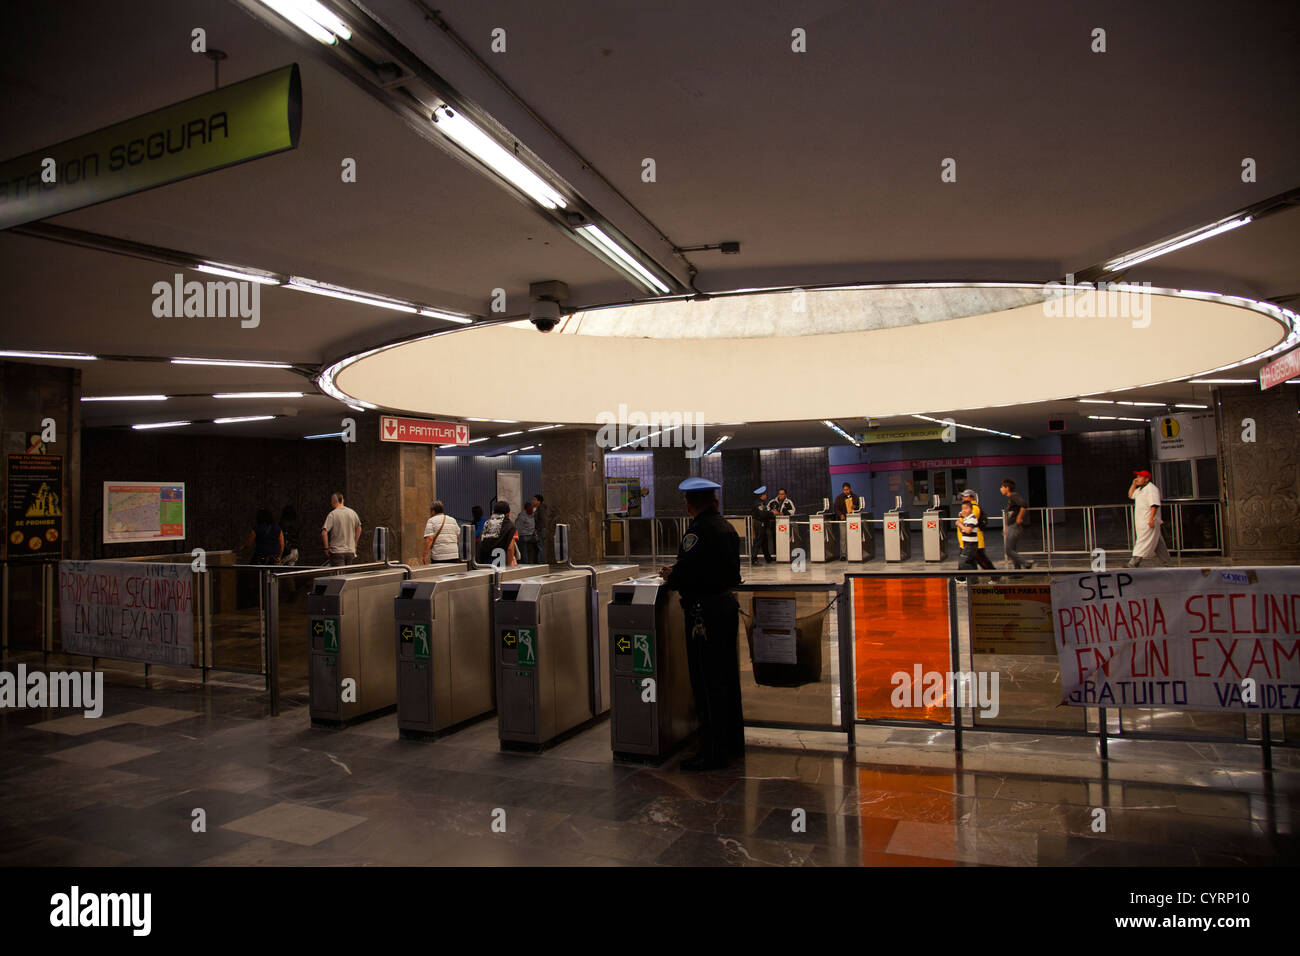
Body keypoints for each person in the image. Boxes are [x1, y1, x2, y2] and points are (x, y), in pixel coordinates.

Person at [660, 477, 743, 771]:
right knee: (726, 677)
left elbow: (687, 574)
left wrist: (672, 575)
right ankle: (732, 743)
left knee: (707, 682)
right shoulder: (728, 528)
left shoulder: (696, 533)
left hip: (702, 613)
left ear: (689, 505)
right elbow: (731, 572)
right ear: (715, 502)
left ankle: (712, 753)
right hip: (725, 607)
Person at [1128, 470, 1172, 567]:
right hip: (1142, 520)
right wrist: (1133, 485)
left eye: (1140, 477)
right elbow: (1131, 495)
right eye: (1137, 476)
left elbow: (1154, 505)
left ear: (1146, 479)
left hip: (1148, 520)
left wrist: (1151, 519)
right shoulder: (1140, 489)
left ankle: (1134, 562)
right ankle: (1167, 563)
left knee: (1142, 541)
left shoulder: (1151, 489)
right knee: (1158, 543)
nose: (1137, 479)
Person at [999, 479, 1034, 570]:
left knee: (1009, 550)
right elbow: (1011, 513)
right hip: (1011, 526)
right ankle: (1017, 571)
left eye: (1002, 487)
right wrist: (1006, 527)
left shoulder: (1013, 496)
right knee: (1012, 550)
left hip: (1014, 526)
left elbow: (1024, 505)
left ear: (1007, 488)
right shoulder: (1011, 498)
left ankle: (1025, 563)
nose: (1001, 489)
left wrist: (1019, 517)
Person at [959, 489, 996, 570]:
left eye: (965, 496)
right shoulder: (967, 507)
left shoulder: (974, 508)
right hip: (967, 541)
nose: (962, 498)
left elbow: (970, 521)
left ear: (971, 497)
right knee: (971, 561)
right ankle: (973, 579)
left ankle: (995, 575)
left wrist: (960, 520)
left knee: (981, 560)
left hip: (974, 541)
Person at [322, 492, 362, 566]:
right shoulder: (352, 513)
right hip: (350, 550)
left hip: (337, 551)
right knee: (347, 575)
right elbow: (359, 528)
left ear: (333, 501)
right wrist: (355, 543)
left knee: (339, 575)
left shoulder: (332, 514)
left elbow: (324, 532)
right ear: (343, 500)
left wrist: (326, 548)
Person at [477, 501, 516, 565]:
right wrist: (509, 567)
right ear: (508, 514)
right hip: (501, 562)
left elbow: (480, 543)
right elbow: (510, 548)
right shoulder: (510, 526)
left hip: (485, 563)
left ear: (493, 512)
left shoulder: (487, 523)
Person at [833, 482, 860, 559]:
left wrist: (855, 507)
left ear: (850, 489)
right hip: (843, 520)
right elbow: (836, 508)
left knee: (854, 536)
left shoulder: (855, 497)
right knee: (843, 537)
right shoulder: (839, 497)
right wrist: (840, 514)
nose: (846, 491)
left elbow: (860, 506)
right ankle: (843, 554)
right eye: (844, 490)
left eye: (847, 490)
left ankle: (854, 552)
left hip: (853, 520)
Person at [750, 486, 774, 563]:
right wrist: (772, 513)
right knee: (758, 541)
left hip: (763, 524)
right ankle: (754, 558)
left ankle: (768, 558)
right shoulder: (758, 503)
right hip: (760, 524)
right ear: (761, 495)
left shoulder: (761, 503)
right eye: (764, 494)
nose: (765, 496)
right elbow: (762, 514)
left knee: (764, 541)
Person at [955, 503, 980, 572]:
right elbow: (962, 531)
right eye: (963, 509)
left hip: (971, 544)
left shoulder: (972, 518)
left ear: (971, 509)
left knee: (963, 562)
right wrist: (960, 524)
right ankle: (974, 580)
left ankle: (972, 576)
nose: (964, 510)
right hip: (966, 543)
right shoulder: (966, 519)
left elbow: (968, 530)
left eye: (966, 508)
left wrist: (960, 524)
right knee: (971, 562)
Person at [532, 494, 548, 562]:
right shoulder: (539, 508)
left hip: (541, 530)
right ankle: (542, 561)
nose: (533, 501)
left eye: (534, 500)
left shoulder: (541, 508)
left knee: (541, 547)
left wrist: (540, 529)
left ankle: (543, 562)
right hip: (540, 529)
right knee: (541, 546)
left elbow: (543, 519)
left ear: (539, 501)